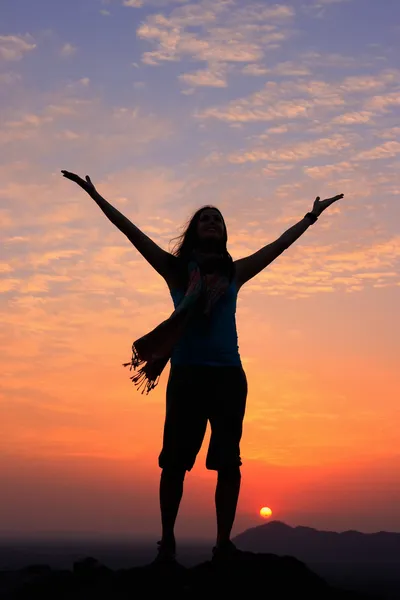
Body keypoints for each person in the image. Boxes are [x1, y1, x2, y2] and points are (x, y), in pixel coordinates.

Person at [61, 170, 343, 562]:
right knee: (173, 463)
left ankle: (223, 544)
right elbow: (131, 232)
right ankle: (168, 544)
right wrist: (95, 195)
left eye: (218, 219)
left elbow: (277, 246)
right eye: (204, 218)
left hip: (228, 377)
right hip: (188, 376)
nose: (212, 222)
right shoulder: (175, 270)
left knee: (229, 461)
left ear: (224, 232)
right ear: (195, 230)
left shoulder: (235, 273)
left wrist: (310, 218)